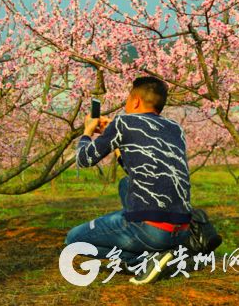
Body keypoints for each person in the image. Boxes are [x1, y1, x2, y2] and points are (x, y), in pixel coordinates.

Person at [65, 76, 192, 285]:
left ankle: (144, 259)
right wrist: (116, 139)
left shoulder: (123, 122)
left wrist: (87, 131)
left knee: (73, 240)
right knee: (126, 184)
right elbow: (138, 169)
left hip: (153, 231)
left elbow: (84, 159)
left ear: (135, 101)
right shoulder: (174, 128)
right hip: (181, 231)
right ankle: (163, 254)